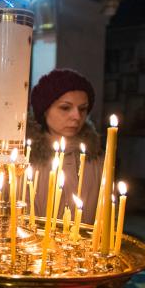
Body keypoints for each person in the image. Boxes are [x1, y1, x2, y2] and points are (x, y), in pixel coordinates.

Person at [27, 69, 104, 224]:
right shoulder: (25, 158)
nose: (76, 116)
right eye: (65, 107)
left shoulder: (97, 158)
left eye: (83, 109)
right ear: (45, 110)